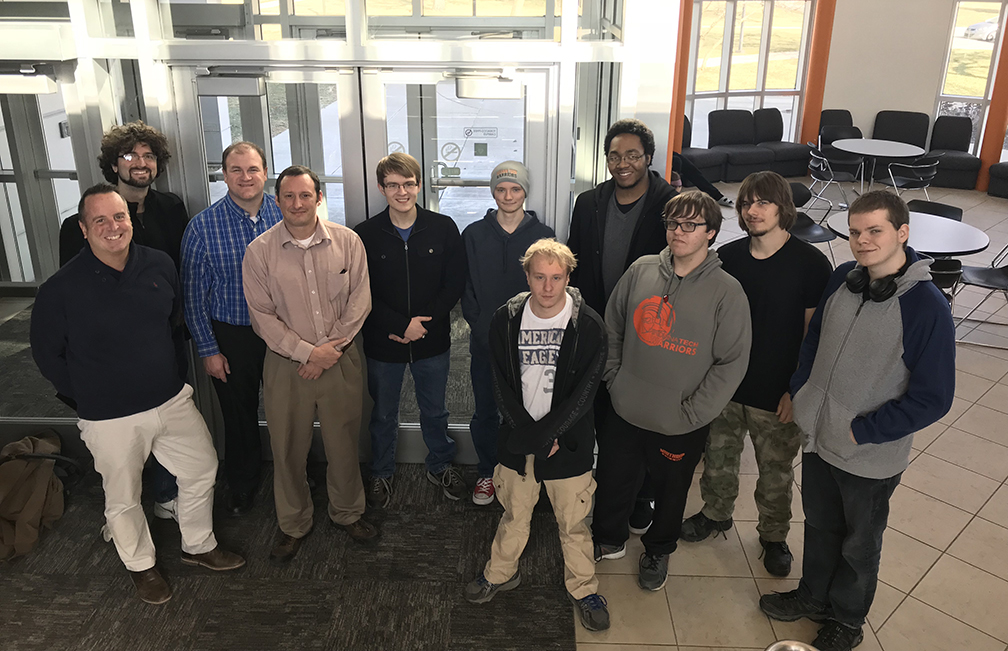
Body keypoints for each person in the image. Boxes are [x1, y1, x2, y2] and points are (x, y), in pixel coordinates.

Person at [759, 191, 955, 651]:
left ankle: (847, 620)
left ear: (902, 233)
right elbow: (814, 340)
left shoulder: (927, 308)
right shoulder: (842, 281)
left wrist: (862, 430)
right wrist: (803, 390)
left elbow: (934, 398)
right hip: (820, 436)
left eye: (874, 231)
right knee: (821, 525)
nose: (861, 241)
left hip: (869, 452)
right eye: (854, 231)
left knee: (859, 545)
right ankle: (814, 597)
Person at [31, 184, 244, 605]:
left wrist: (172, 376)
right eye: (100, 221)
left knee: (202, 468)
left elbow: (172, 323)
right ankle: (141, 567)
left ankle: (198, 546)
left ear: (130, 219)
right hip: (109, 416)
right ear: (84, 229)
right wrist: (87, 396)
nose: (113, 227)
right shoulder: (61, 289)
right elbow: (47, 355)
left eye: (119, 217)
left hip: (169, 399)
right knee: (124, 497)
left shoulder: (159, 264)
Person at [591, 190, 751, 592]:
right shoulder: (641, 270)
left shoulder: (727, 291)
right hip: (625, 406)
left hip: (681, 420)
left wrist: (695, 413)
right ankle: (608, 538)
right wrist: (614, 379)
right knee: (613, 478)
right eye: (673, 223)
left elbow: (731, 362)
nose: (679, 232)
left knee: (670, 492)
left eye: (691, 225)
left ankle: (658, 550)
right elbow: (612, 328)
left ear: (711, 232)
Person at [680, 172, 832, 577]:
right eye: (747, 203)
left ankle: (773, 536)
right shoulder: (727, 258)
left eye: (763, 202)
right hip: (726, 388)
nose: (753, 210)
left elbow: (813, 337)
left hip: (778, 393)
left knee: (776, 472)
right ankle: (715, 514)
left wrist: (796, 391)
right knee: (718, 459)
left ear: (783, 207)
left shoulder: (811, 264)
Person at [464, 239, 610, 632]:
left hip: (570, 444)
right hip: (518, 442)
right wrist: (531, 436)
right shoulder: (505, 320)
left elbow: (584, 394)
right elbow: (500, 385)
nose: (548, 287)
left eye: (557, 278)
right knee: (515, 514)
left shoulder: (589, 326)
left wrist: (550, 435)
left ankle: (583, 589)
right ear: (527, 276)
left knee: (574, 523)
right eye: (540, 277)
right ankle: (499, 572)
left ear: (568, 277)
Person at [243, 165, 377, 564]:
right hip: (287, 366)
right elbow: (262, 315)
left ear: (319, 197)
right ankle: (293, 524)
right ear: (278, 200)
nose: (297, 203)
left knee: (343, 441)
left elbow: (360, 302)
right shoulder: (260, 251)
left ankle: (348, 513)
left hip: (340, 358)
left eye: (305, 195)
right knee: (287, 446)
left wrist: (327, 351)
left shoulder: (348, 242)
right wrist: (307, 353)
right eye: (288, 196)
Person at [58, 121, 190, 524]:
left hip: (163, 341)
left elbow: (180, 274)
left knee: (168, 423)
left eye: (148, 156)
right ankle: (125, 516)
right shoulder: (79, 224)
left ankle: (167, 495)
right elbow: (72, 296)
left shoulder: (171, 208)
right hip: (109, 351)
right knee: (122, 440)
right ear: (113, 163)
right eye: (130, 155)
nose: (140, 163)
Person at [567, 118, 680, 537]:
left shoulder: (671, 204)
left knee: (641, 419)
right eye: (615, 155)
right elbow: (574, 263)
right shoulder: (589, 203)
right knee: (598, 410)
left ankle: (642, 496)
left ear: (648, 158)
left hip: (649, 331)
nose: (623, 163)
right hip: (597, 326)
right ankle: (605, 488)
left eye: (632, 155)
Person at [354, 152, 467, 508]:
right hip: (382, 341)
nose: (401, 191)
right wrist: (400, 325)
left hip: (431, 340)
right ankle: (382, 471)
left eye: (408, 184)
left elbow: (454, 285)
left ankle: (439, 464)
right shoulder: (365, 234)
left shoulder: (443, 227)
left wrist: (420, 325)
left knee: (435, 410)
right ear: (381, 187)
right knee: (383, 412)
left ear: (419, 185)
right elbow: (361, 291)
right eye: (393, 185)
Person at [181, 141, 283, 517]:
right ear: (224, 175)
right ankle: (242, 484)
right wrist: (208, 349)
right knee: (238, 416)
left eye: (253, 169)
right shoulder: (202, 227)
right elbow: (193, 296)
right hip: (232, 335)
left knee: (289, 410)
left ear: (265, 172)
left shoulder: (287, 212)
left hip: (283, 333)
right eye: (236, 170)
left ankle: (295, 478)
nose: (245, 177)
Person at [461, 161, 555, 505]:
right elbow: (467, 289)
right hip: (485, 341)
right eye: (501, 189)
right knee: (485, 410)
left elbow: (550, 290)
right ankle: (487, 472)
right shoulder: (473, 234)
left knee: (527, 410)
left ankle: (523, 472)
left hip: (529, 344)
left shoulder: (543, 236)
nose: (508, 196)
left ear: (525, 192)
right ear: (492, 191)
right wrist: (483, 327)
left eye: (515, 189)